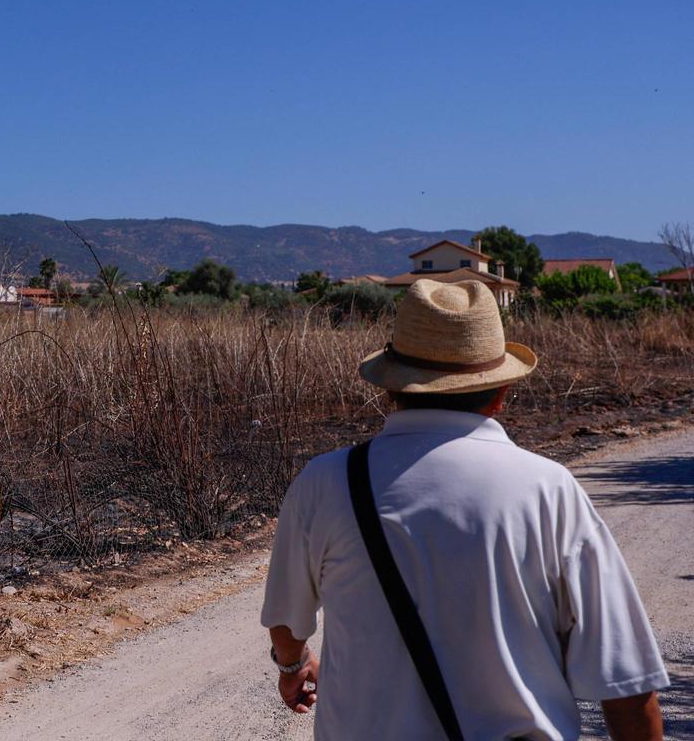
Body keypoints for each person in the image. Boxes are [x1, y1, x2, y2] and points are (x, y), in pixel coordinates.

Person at [261, 279, 668, 740]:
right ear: (500, 392)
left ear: (391, 388)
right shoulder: (547, 489)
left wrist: (292, 664)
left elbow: (286, 619)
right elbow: (627, 686)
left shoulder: (326, 482)